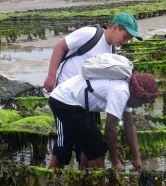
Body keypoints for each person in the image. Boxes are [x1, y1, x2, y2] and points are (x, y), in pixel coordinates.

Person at [43, 12, 143, 168]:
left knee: (88, 145)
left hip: (87, 98)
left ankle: (84, 177)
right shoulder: (90, 34)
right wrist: (51, 75)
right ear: (115, 27)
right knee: (64, 143)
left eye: (129, 39)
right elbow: (60, 46)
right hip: (66, 94)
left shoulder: (112, 52)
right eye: (125, 37)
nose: (125, 41)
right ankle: (50, 176)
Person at [48, 54, 160, 171]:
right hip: (64, 101)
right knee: (97, 150)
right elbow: (109, 129)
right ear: (137, 95)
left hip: (74, 102)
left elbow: (129, 125)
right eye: (142, 103)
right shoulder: (121, 91)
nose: (140, 106)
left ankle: (83, 178)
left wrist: (137, 158)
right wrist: (115, 162)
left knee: (91, 144)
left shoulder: (127, 88)